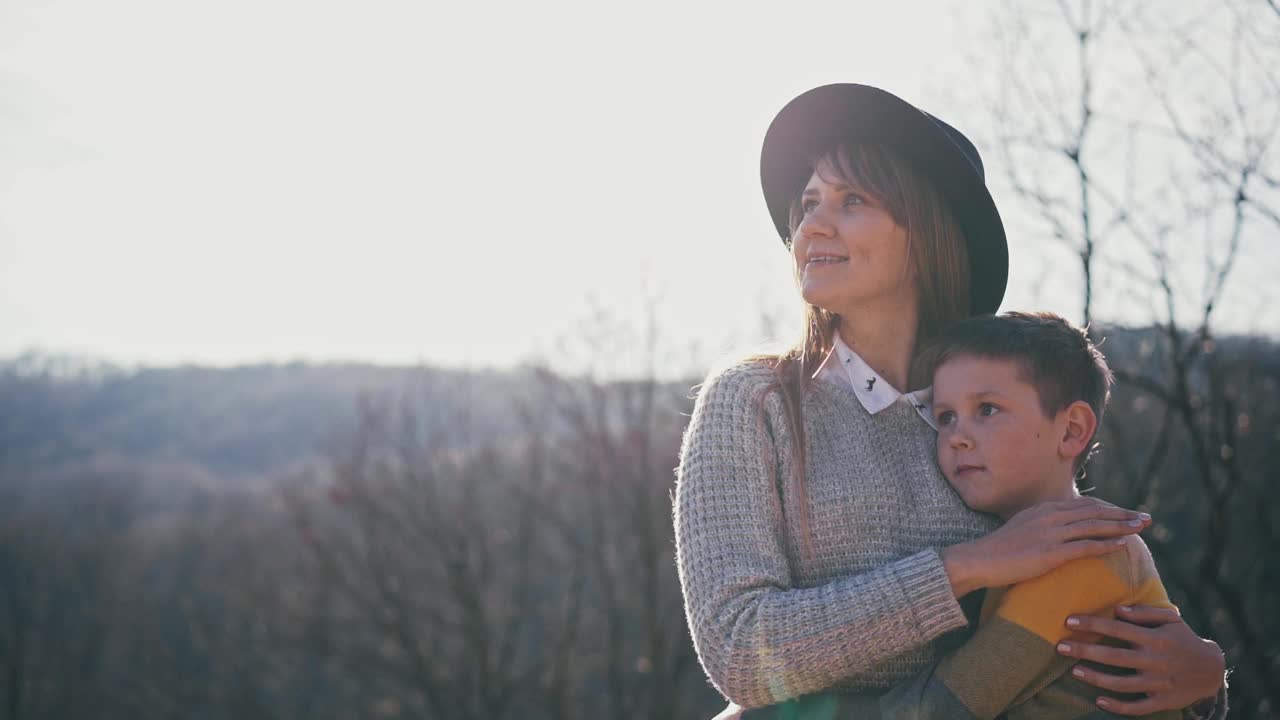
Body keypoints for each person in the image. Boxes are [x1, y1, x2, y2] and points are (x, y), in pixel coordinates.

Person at [672, 84, 1228, 719]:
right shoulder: (756, 401)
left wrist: (1202, 680)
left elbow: (1078, 622)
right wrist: (968, 566)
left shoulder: (987, 405)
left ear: (929, 232)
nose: (812, 225)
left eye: (852, 200)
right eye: (808, 204)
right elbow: (742, 652)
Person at [741, 311, 1200, 719]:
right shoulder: (1019, 546)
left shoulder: (1086, 555)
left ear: (1071, 430)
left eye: (987, 410)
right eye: (944, 418)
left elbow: (940, 709)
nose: (957, 437)